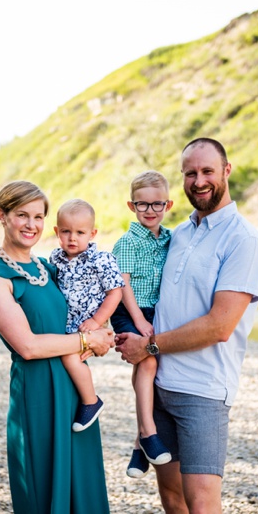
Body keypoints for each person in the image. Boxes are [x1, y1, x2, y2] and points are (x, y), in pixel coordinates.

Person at [115, 139, 258, 514]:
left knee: (201, 506)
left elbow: (219, 326)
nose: (198, 181)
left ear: (226, 171)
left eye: (207, 171)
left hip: (203, 390)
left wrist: (147, 347)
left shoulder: (243, 240)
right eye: (190, 173)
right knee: (172, 499)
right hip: (159, 386)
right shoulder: (177, 233)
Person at [0, 181, 113, 514]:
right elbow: (27, 346)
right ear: (2, 216)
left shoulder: (52, 267)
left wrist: (105, 330)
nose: (31, 225)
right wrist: (89, 341)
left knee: (83, 490)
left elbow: (96, 297)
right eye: (22, 215)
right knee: (42, 493)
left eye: (39, 216)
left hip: (76, 394)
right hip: (38, 394)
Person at [110, 170, 174, 478]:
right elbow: (123, 286)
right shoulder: (127, 243)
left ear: (168, 205)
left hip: (154, 312)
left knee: (147, 367)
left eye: (156, 204)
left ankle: (139, 449)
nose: (150, 211)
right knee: (147, 363)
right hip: (128, 310)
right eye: (142, 205)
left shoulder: (169, 238)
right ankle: (148, 434)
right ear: (131, 206)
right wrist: (138, 319)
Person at [49, 198, 124, 432]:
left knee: (69, 358)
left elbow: (115, 293)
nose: (73, 238)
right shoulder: (55, 259)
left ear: (92, 233)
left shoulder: (101, 260)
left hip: (88, 325)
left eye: (80, 232)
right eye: (66, 231)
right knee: (61, 359)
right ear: (56, 232)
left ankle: (91, 401)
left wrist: (97, 321)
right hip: (66, 325)